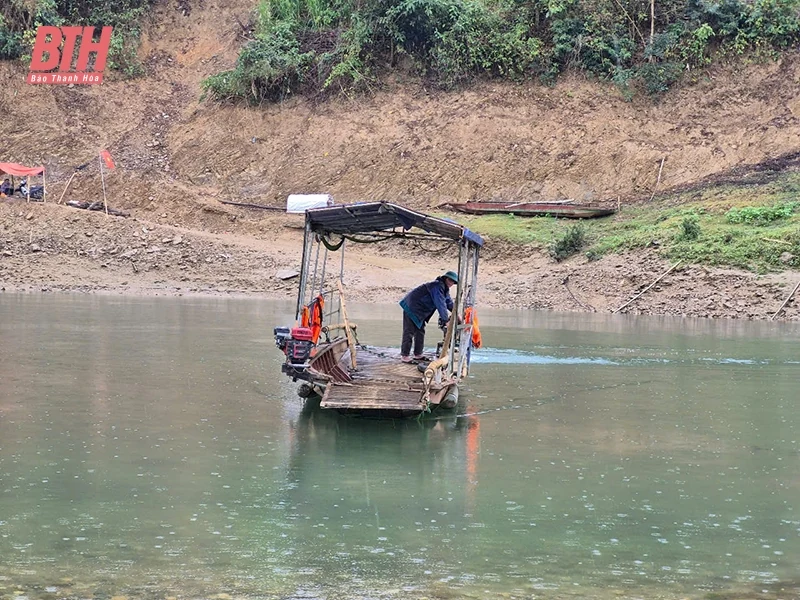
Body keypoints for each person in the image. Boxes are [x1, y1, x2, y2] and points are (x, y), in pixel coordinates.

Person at [399, 271, 458, 363]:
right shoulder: (437, 286)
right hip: (412, 307)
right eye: (450, 281)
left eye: (453, 282)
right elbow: (440, 304)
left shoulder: (444, 289)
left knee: (420, 331)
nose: (451, 284)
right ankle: (405, 355)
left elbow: (449, 303)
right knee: (409, 331)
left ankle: (418, 354)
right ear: (446, 279)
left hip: (420, 311)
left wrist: (457, 315)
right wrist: (446, 320)